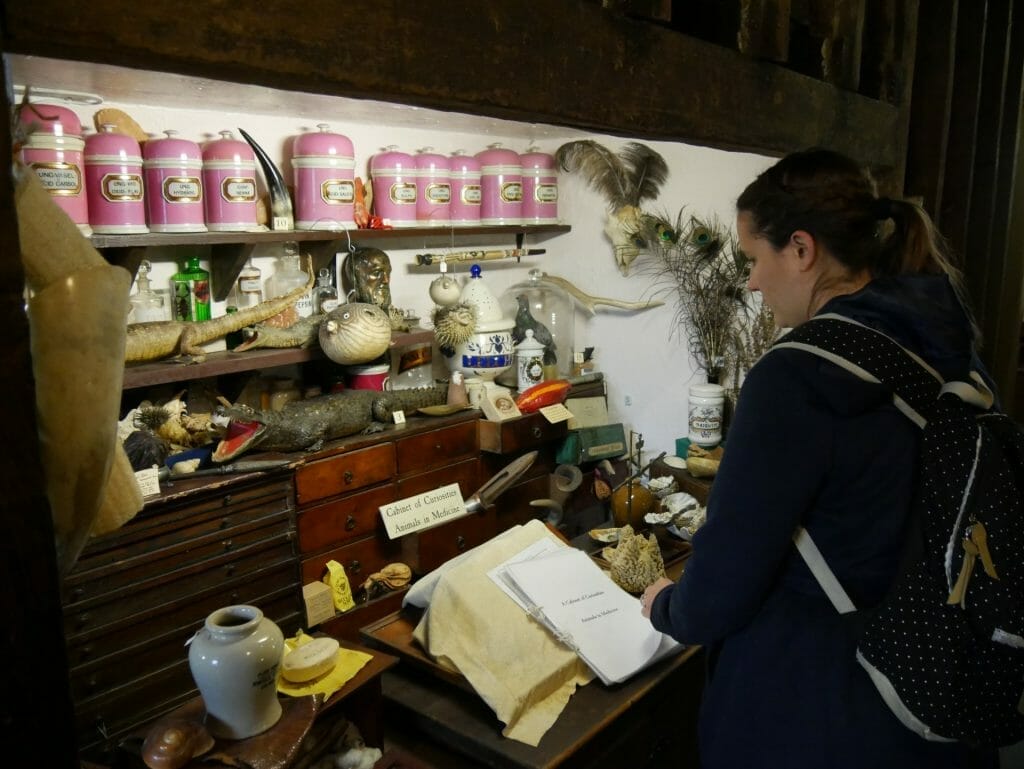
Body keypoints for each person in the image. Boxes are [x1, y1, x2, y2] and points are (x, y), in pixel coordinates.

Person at [639, 149, 995, 769]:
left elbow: (724, 582)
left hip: (823, 704)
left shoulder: (799, 373)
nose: (750, 282)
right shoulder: (943, 339)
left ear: (801, 250)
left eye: (755, 258)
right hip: (934, 675)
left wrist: (665, 603)